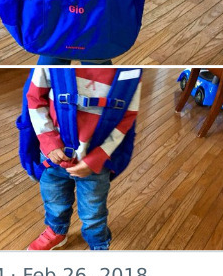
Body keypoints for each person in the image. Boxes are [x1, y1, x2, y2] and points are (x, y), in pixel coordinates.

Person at [25, 67, 141, 250]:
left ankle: (98, 242)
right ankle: (56, 231)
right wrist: (49, 140)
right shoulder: (51, 64)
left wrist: (99, 156)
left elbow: (127, 118)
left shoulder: (130, 72)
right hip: (53, 158)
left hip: (95, 162)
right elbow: (34, 99)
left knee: (93, 211)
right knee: (54, 201)